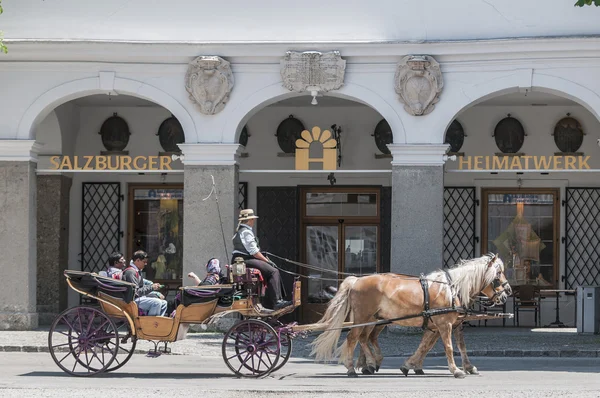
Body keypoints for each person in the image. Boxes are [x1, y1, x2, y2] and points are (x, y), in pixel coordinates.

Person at [231, 209, 291, 310]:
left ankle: (273, 300)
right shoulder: (246, 232)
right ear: (250, 220)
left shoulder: (240, 231)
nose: (253, 221)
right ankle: (277, 301)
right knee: (273, 271)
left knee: (270, 270)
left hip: (241, 260)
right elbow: (254, 252)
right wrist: (267, 261)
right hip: (245, 260)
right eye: (252, 219)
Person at [121, 250, 168, 316]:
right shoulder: (131, 272)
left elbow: (141, 288)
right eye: (144, 262)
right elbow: (136, 292)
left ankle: (158, 323)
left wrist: (154, 291)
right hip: (133, 301)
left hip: (139, 298)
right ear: (137, 260)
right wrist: (151, 287)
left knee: (164, 303)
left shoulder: (136, 271)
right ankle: (150, 324)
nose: (145, 264)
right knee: (157, 303)